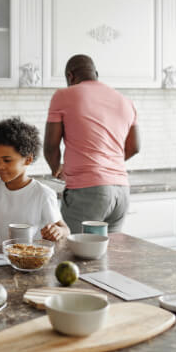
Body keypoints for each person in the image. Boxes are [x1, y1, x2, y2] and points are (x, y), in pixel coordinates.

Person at [44, 54, 141, 234]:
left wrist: (56, 169)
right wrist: (105, 163)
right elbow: (135, 147)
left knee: (71, 251)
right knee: (107, 253)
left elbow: (50, 146)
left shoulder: (63, 95)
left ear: (70, 76)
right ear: (95, 73)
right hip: (121, 192)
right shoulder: (125, 101)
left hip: (88, 191)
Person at [0, 117, 70, 249]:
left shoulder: (43, 193)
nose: (0, 166)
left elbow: (65, 229)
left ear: (28, 160)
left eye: (7, 160)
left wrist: (58, 231)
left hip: (30, 259)